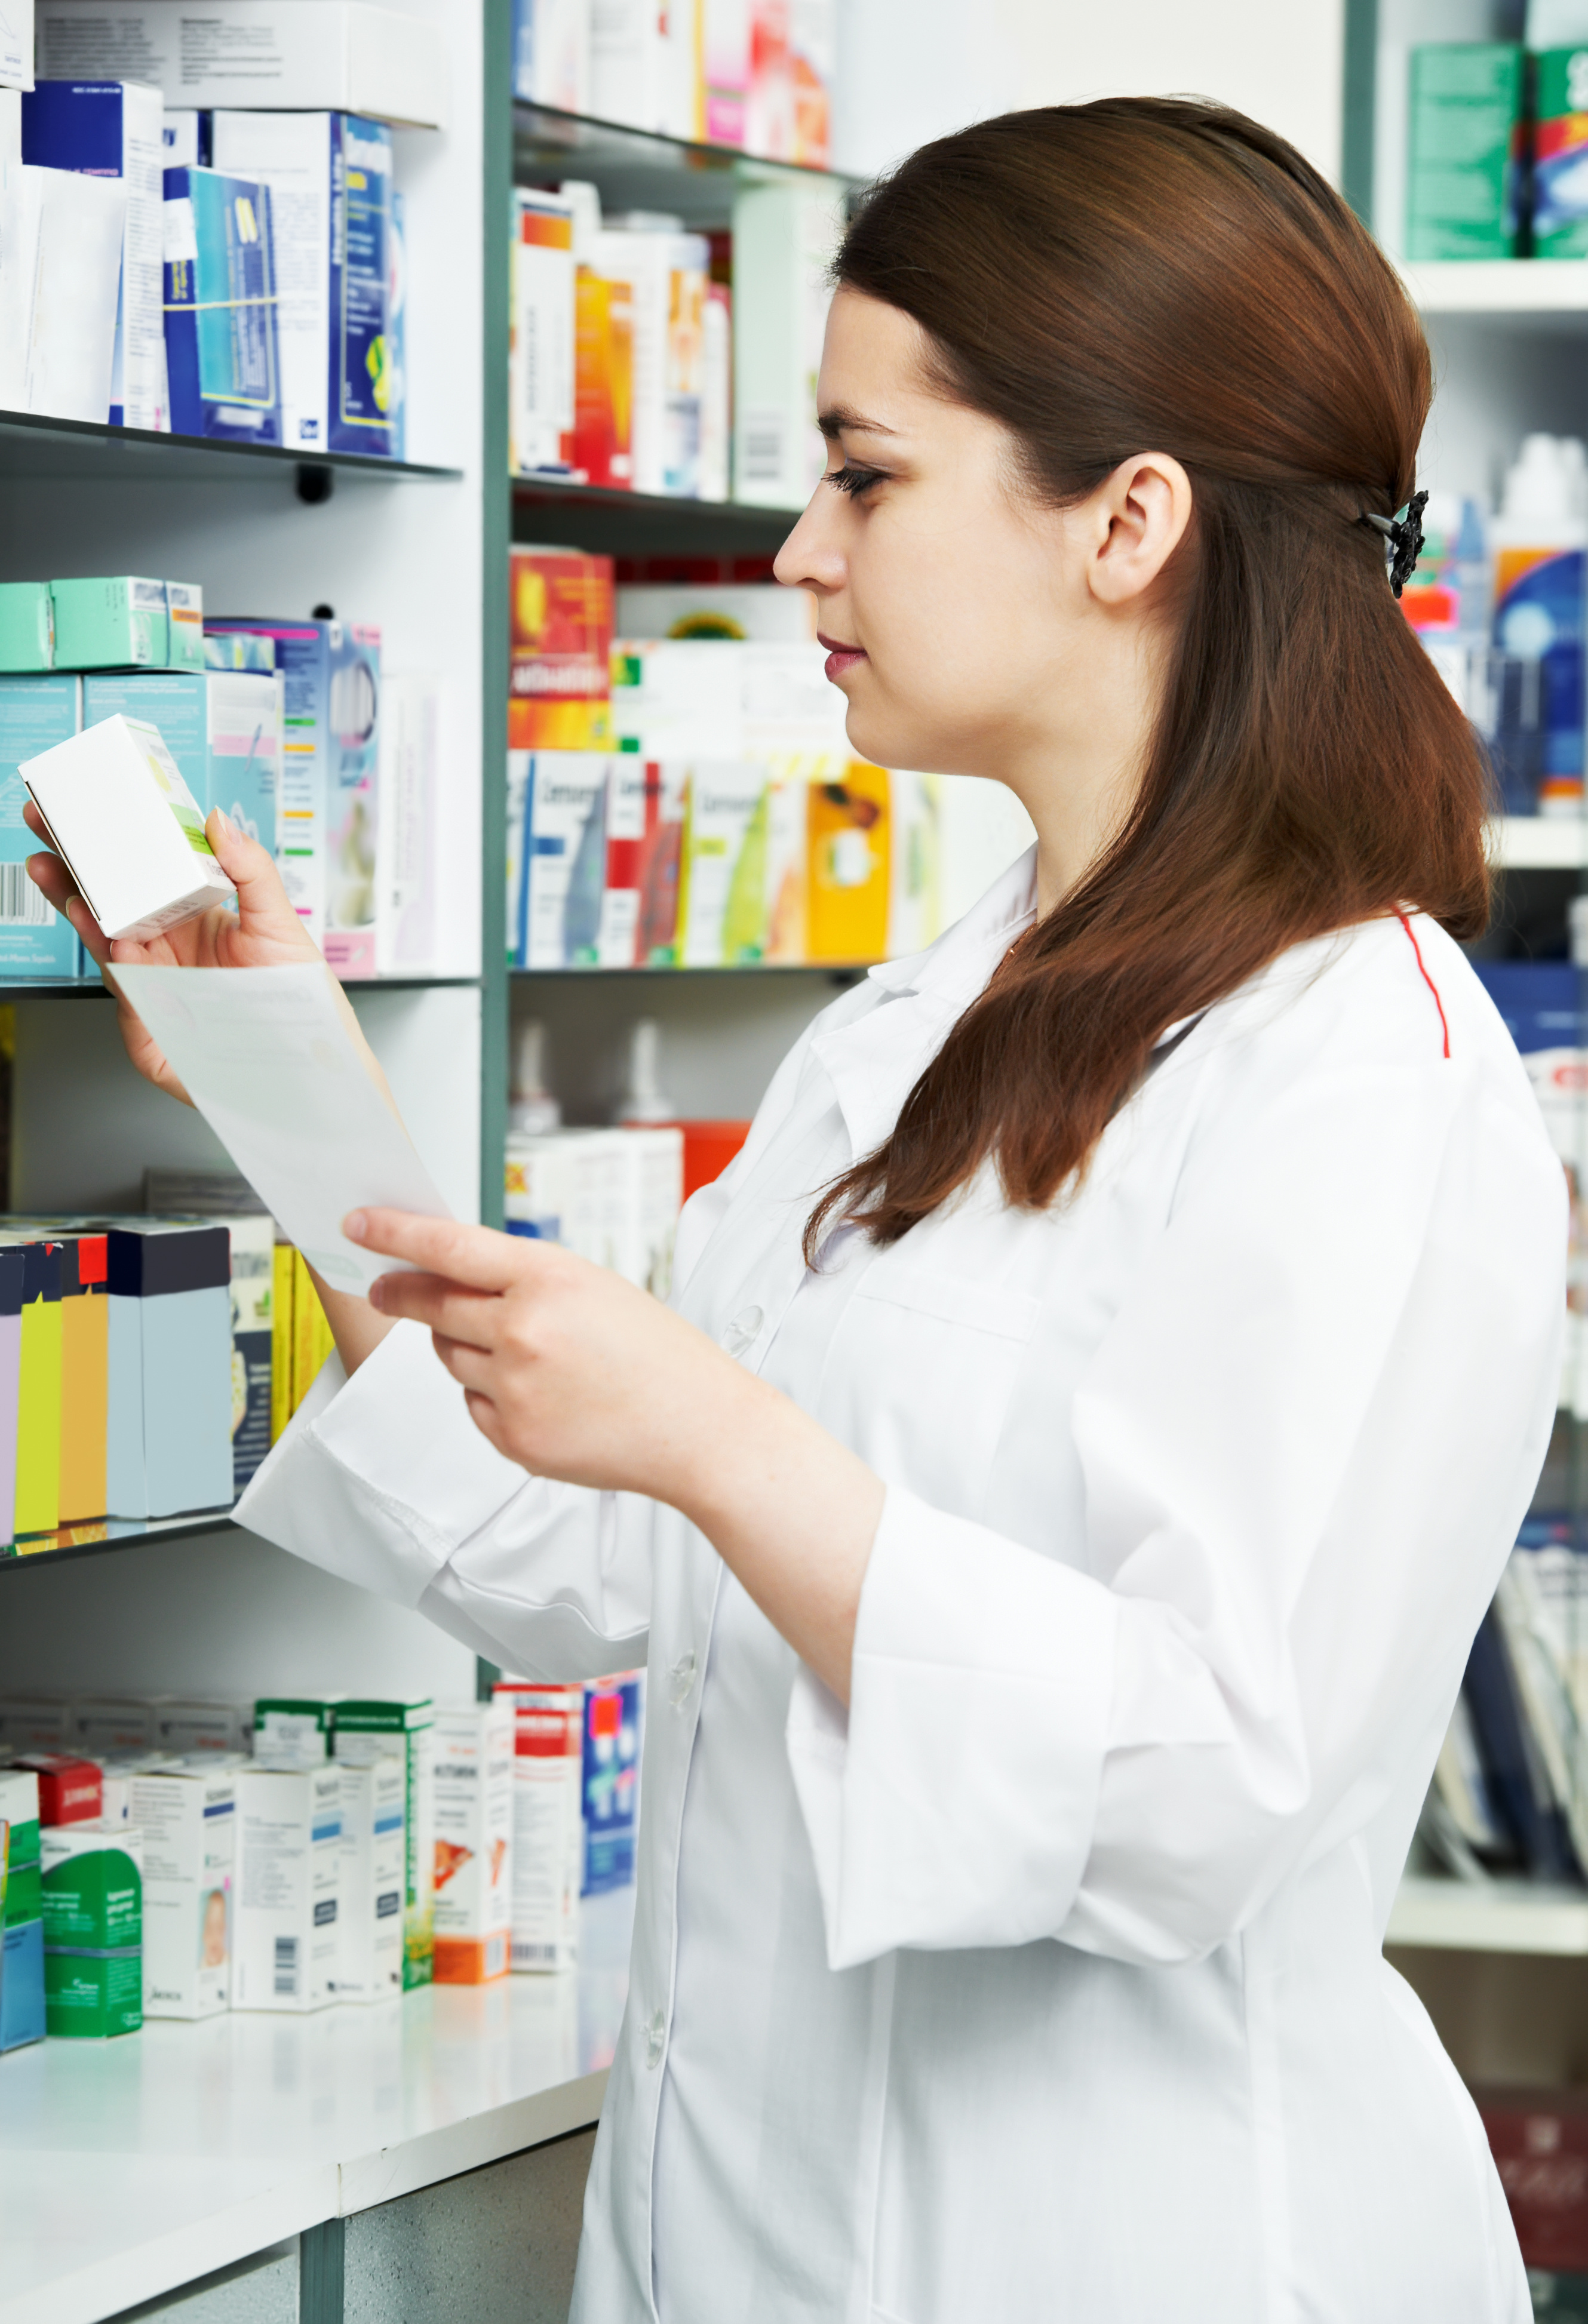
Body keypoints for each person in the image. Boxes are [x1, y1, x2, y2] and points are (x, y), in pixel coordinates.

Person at [31, 98, 1565, 2324]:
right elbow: (600, 1564)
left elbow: (1193, 1786)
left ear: (1127, 517)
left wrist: (719, 1435)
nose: (797, 551)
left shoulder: (1363, 1069)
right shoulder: (930, 1020)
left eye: (866, 472)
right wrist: (290, 1082)